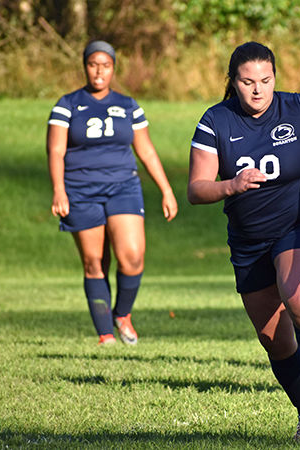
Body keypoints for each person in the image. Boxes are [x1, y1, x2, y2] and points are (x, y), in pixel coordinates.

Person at [187, 41, 300, 441]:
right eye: (247, 82)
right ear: (233, 82)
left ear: (276, 78)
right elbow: (197, 189)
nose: (257, 90)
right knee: (274, 337)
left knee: (298, 299)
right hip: (250, 240)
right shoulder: (216, 121)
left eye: (266, 81)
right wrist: (230, 185)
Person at [47, 40, 178, 346]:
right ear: (85, 66)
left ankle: (122, 314)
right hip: (80, 189)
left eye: (105, 65)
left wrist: (166, 190)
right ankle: (106, 334)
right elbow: (55, 150)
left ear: (114, 68)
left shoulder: (129, 105)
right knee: (94, 261)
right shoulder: (67, 104)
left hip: (123, 186)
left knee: (132, 256)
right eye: (93, 64)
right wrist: (58, 190)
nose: (99, 71)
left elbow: (145, 150)